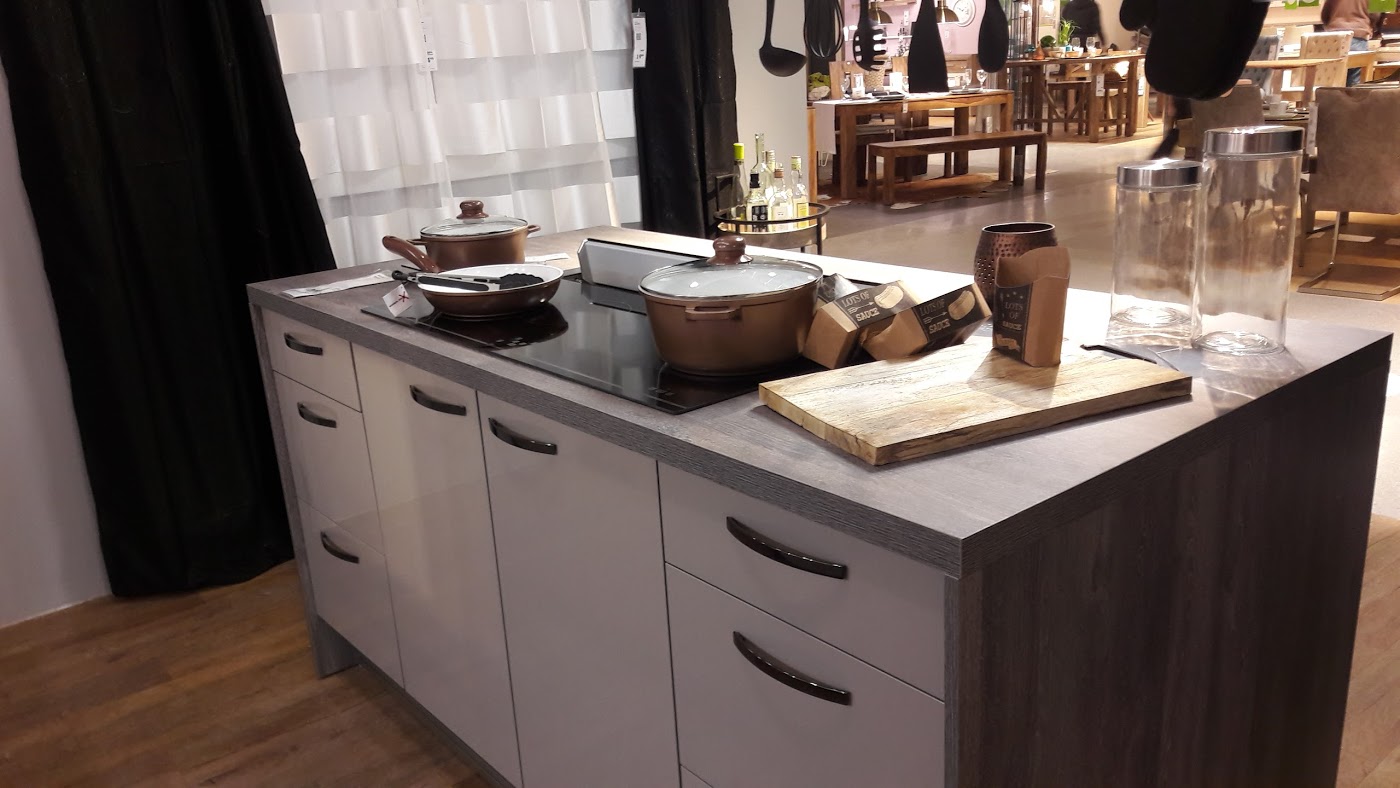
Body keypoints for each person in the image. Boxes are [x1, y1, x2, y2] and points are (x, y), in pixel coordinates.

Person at [1323, 0, 1374, 86]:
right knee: (1354, 82)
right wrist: (1371, 26)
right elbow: (1375, 13)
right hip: (1358, 33)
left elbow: (1325, 13)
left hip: (1335, 35)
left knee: (1332, 79)